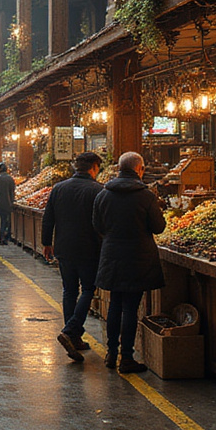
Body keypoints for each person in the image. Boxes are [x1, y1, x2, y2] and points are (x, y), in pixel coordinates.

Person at [93, 151, 167, 373]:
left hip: (112, 256)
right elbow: (159, 227)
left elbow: (97, 226)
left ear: (118, 168)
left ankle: (111, 352)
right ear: (139, 169)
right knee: (131, 308)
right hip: (138, 258)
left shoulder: (103, 195)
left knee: (115, 304)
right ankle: (126, 358)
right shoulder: (146, 196)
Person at [42, 151, 104, 363]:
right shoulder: (98, 189)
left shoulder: (59, 188)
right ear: (94, 167)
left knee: (69, 290)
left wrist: (46, 243)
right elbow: (102, 223)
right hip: (89, 248)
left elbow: (48, 217)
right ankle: (70, 332)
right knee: (88, 289)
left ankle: (73, 336)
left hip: (64, 247)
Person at [0, 162, 15, 246]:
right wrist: (12, 201)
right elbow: (12, 191)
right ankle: (2, 237)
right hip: (7, 203)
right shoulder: (10, 179)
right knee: (4, 222)